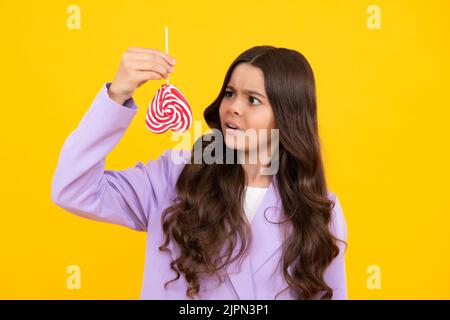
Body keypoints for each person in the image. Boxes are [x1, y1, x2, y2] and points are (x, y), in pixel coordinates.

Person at [51, 45, 348, 300]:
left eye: (252, 99)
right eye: (230, 93)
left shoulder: (320, 213)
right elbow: (73, 188)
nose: (232, 107)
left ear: (287, 116)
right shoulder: (176, 177)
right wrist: (116, 96)